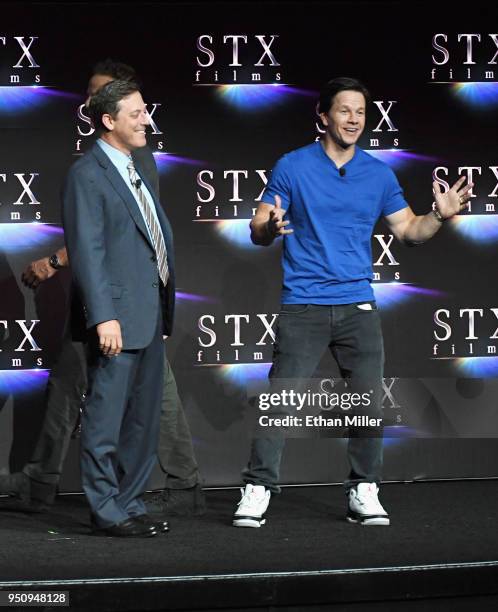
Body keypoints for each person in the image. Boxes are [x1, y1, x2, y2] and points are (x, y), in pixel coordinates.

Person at [233, 77, 472, 528]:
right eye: (343, 111)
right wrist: (270, 228)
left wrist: (439, 215)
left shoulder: (379, 174)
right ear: (322, 116)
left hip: (357, 306)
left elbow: (409, 232)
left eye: (360, 112)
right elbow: (258, 228)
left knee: (368, 404)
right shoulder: (292, 166)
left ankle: (364, 489)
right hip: (303, 304)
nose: (353, 120)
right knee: (281, 401)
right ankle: (257, 489)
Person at [0, 61, 204, 518]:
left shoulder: (141, 159)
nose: (87, 103)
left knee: (145, 400)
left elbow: (128, 234)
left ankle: (160, 486)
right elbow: (95, 237)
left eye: (97, 96)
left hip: (133, 303)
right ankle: (62, 488)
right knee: (83, 392)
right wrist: (102, 306)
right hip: (107, 303)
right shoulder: (89, 171)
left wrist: (56, 263)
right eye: (89, 96)